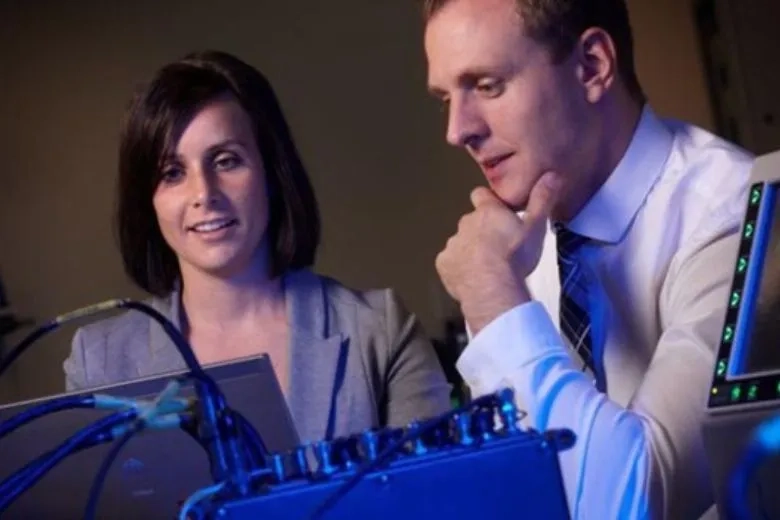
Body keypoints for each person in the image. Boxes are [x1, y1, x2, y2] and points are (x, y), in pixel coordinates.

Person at [422, 0, 754, 518]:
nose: (456, 130)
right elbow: (516, 487)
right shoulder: (515, 241)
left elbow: (634, 503)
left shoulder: (736, 221)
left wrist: (495, 300)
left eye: (487, 85)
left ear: (592, 66)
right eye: (445, 98)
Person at [63, 50, 451, 444]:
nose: (204, 194)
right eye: (172, 173)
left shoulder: (380, 331)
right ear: (148, 201)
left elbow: (441, 498)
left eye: (227, 161)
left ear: (272, 171)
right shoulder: (98, 363)